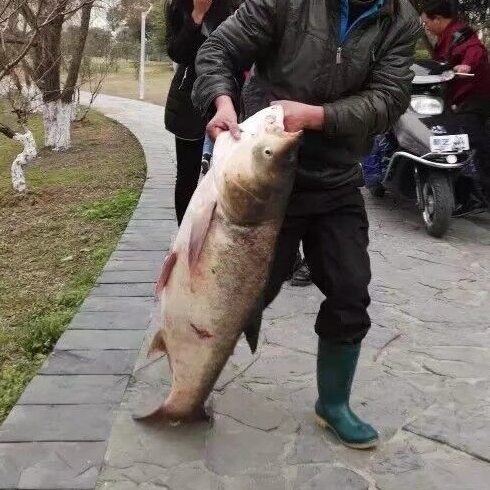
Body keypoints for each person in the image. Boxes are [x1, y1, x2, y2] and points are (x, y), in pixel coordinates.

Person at [193, 0, 420, 449]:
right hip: (264, 177)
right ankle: (191, 378)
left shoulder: (400, 19)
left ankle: (333, 404)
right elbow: (218, 49)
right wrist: (222, 101)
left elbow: (389, 99)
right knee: (242, 296)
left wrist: (317, 116)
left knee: (350, 291)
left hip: (336, 180)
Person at [164, 0, 240, 225]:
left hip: (233, 95)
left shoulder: (240, 5)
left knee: (231, 174)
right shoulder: (179, 5)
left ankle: (224, 235)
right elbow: (177, 52)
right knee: (187, 176)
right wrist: (197, 14)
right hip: (189, 100)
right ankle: (185, 236)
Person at [421, 0, 490, 211]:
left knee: (472, 144)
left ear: (438, 19)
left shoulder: (461, 35)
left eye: (426, 22)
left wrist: (466, 64)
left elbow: (476, 51)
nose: (426, 27)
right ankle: (464, 196)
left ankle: (479, 195)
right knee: (455, 142)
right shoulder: (445, 38)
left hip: (475, 98)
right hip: (457, 100)